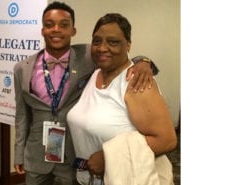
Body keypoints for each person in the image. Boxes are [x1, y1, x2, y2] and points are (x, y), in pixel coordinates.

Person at [13, 2, 158, 185]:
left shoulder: (90, 55)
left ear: (73, 30)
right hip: (36, 153)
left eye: (64, 25)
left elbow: (119, 52)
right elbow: (21, 115)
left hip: (73, 153)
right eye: (49, 25)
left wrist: (143, 61)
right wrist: (19, 153)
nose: (56, 30)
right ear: (42, 30)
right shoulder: (22, 68)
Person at [67, 13, 177, 185]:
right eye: (97, 41)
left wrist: (108, 158)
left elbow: (167, 140)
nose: (102, 48)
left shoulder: (137, 84)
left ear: (128, 45)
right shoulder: (95, 73)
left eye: (113, 42)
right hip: (86, 179)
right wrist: (144, 59)